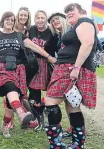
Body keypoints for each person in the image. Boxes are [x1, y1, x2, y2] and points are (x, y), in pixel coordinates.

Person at [0, 11, 56, 138]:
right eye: (7, 19)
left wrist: (49, 57)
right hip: (1, 67)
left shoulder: (19, 36)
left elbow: (35, 47)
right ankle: (21, 113)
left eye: (11, 20)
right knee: (11, 87)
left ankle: (5, 125)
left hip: (17, 69)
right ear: (2, 21)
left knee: (12, 98)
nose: (9, 22)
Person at [44, 3, 97, 149]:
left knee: (50, 101)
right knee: (72, 106)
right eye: (66, 12)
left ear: (80, 11)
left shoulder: (84, 22)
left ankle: (56, 144)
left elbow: (87, 43)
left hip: (70, 68)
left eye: (71, 10)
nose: (68, 13)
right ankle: (78, 144)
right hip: (65, 67)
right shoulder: (75, 26)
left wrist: (76, 68)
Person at [1, 6, 35, 131]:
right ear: (17, 16)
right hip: (11, 64)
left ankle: (23, 117)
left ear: (28, 17)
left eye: (25, 15)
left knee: (20, 92)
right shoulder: (11, 29)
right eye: (21, 15)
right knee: (11, 91)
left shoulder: (29, 31)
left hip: (24, 64)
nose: (23, 17)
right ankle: (9, 121)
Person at [27, 10, 58, 131]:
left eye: (42, 18)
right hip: (33, 64)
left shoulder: (52, 31)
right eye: (38, 18)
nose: (40, 20)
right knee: (34, 93)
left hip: (47, 63)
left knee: (51, 92)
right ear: (35, 19)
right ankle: (37, 119)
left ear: (46, 19)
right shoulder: (31, 30)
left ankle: (46, 115)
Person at [48, 12, 73, 138]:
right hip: (64, 69)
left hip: (72, 69)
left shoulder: (72, 31)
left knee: (56, 100)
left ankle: (65, 132)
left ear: (64, 19)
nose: (55, 21)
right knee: (69, 101)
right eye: (52, 21)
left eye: (57, 19)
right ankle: (73, 129)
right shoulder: (59, 36)